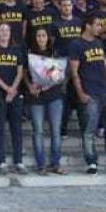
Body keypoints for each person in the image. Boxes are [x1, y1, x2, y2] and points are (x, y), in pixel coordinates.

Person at [68, 15, 106, 175]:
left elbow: (105, 64)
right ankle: (91, 162)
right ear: (88, 26)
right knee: (89, 131)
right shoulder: (76, 44)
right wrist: (81, 93)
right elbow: (74, 72)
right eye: (98, 24)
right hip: (90, 93)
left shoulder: (99, 43)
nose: (101, 27)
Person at [0, 23, 27, 175]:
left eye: (7, 30)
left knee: (17, 128)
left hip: (15, 94)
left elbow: (20, 72)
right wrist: (6, 88)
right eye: (1, 30)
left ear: (10, 33)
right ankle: (1, 161)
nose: (4, 32)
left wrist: (13, 89)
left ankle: (19, 161)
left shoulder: (17, 50)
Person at [25, 26, 66, 175]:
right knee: (38, 131)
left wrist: (46, 86)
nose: (41, 38)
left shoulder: (54, 53)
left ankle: (55, 163)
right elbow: (24, 73)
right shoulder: (29, 54)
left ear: (48, 37)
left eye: (43, 35)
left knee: (55, 131)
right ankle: (40, 164)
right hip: (36, 97)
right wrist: (30, 86)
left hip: (54, 95)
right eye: (38, 36)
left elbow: (59, 75)